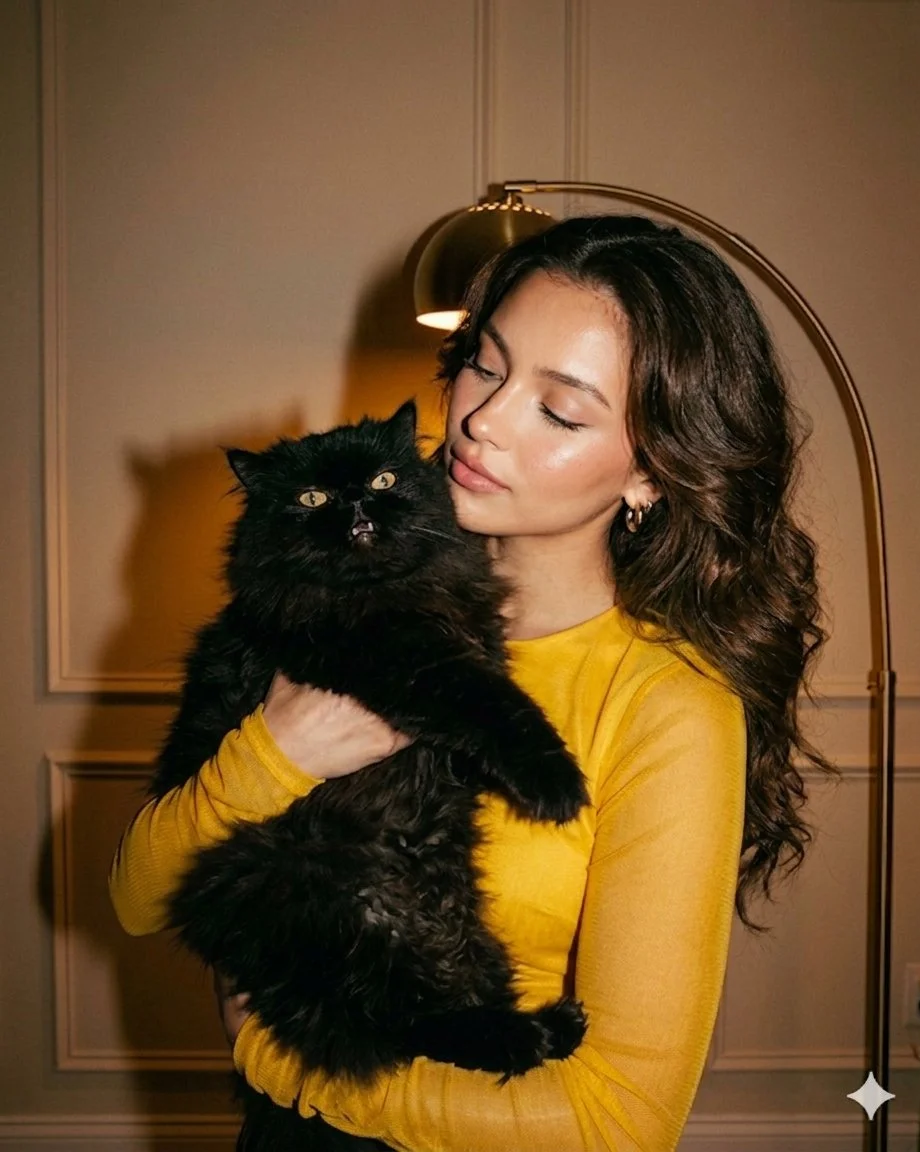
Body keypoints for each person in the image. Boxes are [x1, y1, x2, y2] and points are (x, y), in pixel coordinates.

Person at [109, 214, 834, 1151]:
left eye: (559, 410)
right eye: (485, 367)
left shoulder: (667, 709)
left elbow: (617, 1125)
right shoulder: (334, 607)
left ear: (653, 473)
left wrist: (283, 1066)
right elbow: (136, 895)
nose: (482, 420)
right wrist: (274, 752)